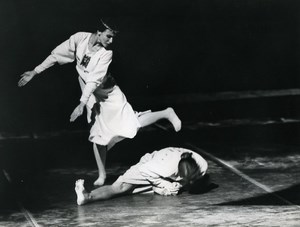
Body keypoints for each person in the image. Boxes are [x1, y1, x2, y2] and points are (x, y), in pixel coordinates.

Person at [18, 19, 182, 186]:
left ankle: (166, 113)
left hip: (109, 94)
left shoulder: (106, 54)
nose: (111, 41)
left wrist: (81, 104)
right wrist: (35, 71)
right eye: (109, 37)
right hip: (91, 96)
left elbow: (93, 81)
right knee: (98, 136)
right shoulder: (79, 38)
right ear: (99, 31)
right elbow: (56, 55)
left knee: (131, 123)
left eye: (113, 38)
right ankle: (102, 175)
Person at [75, 147, 211, 205]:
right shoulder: (165, 166)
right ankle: (87, 197)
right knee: (122, 188)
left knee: (132, 192)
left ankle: (159, 187)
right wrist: (166, 184)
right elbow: (145, 170)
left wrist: (177, 185)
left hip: (162, 173)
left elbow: (191, 180)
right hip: (149, 166)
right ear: (176, 173)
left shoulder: (202, 166)